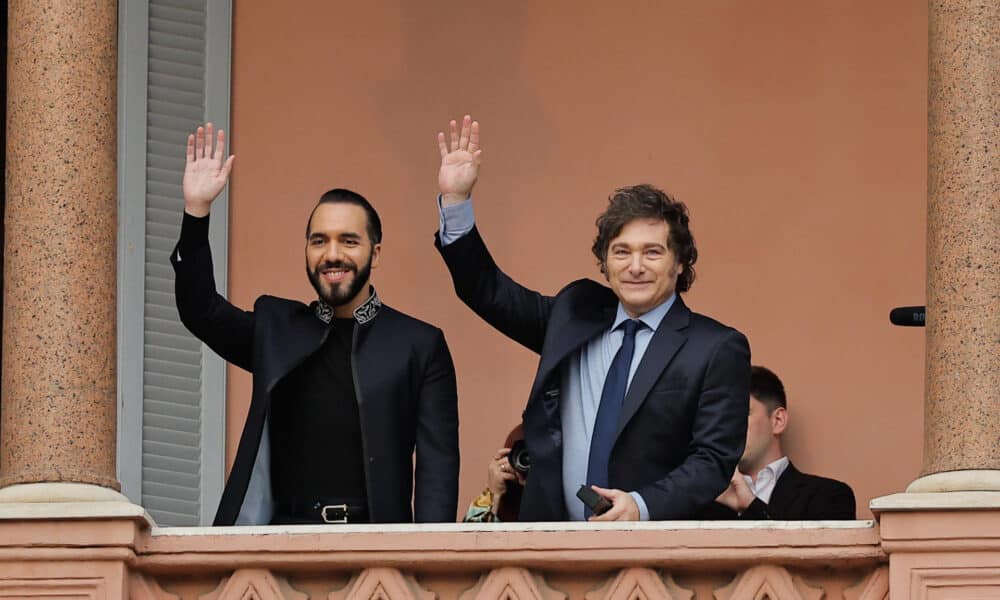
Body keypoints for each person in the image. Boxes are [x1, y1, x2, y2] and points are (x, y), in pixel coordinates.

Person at [434, 116, 751, 521]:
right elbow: (488, 292)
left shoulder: (716, 347)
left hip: (654, 557)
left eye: (652, 252)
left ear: (679, 263)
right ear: (605, 263)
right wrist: (456, 203)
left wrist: (640, 506)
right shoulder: (575, 315)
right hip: (552, 548)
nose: (635, 266)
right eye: (621, 251)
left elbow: (713, 461)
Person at [171, 123, 459, 525]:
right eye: (319, 240)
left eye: (349, 241)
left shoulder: (419, 344)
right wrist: (196, 212)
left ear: (375, 254)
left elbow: (437, 474)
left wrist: (426, 569)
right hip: (279, 553)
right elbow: (199, 309)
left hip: (377, 555)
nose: (332, 254)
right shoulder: (276, 328)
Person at [706, 366, 856, 520]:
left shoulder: (829, 496)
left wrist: (750, 506)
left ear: (778, 421)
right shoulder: (702, 501)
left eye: (740, 413)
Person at [463, 425, 525, 522]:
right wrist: (495, 495)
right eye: (523, 457)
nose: (527, 462)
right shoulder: (507, 492)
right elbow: (475, 536)